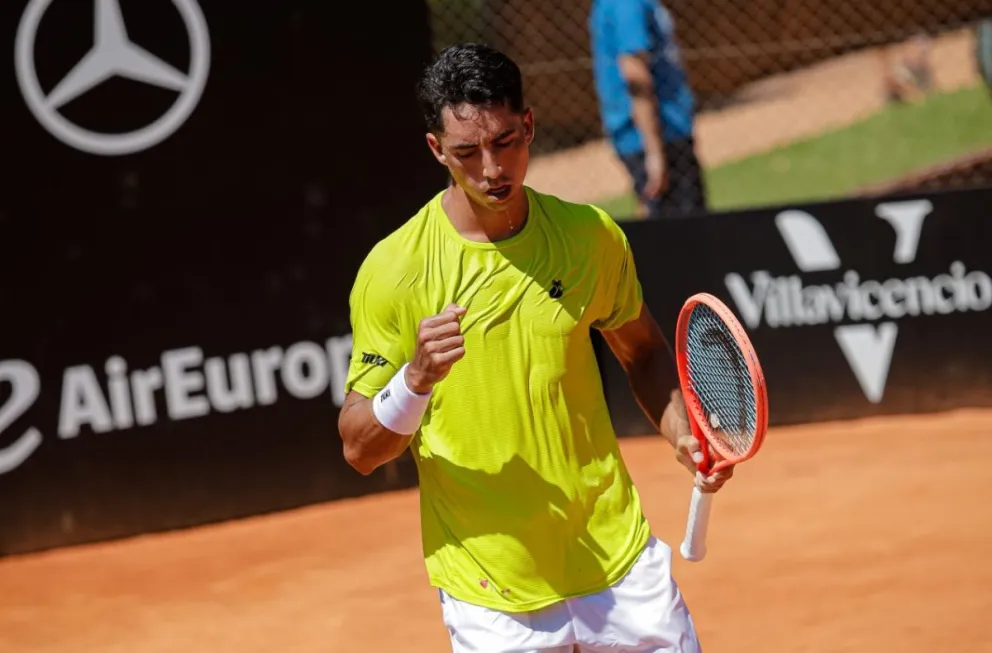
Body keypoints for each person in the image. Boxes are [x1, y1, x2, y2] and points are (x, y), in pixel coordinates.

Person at [338, 42, 734, 653]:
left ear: (529, 126)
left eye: (505, 142)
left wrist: (683, 430)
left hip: (616, 560)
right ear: (436, 150)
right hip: (489, 589)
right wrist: (415, 380)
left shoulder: (588, 238)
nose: (492, 169)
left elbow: (645, 353)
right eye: (466, 152)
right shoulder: (394, 272)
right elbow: (360, 446)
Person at [589, 0, 707, 219]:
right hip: (657, 136)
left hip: (656, 134)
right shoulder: (626, 4)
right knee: (688, 236)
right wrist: (654, 152)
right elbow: (635, 75)